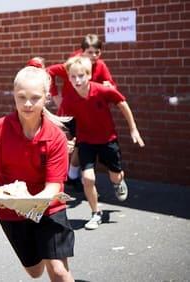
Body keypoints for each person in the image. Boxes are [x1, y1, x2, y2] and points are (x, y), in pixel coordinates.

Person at [0, 66, 74, 281]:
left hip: (49, 208)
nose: (27, 104)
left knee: (59, 270)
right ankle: (42, 251)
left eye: (35, 98)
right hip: (11, 211)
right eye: (21, 97)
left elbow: (54, 186)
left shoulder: (56, 137)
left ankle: (49, 251)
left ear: (46, 98)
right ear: (14, 95)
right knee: (35, 272)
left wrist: (33, 203)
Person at [63, 56, 144, 230]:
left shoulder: (101, 90)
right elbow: (63, 121)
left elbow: (122, 103)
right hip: (86, 142)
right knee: (87, 178)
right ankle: (95, 213)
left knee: (115, 175)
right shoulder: (69, 99)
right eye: (73, 76)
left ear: (89, 75)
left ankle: (118, 181)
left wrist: (133, 129)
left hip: (108, 140)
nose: (77, 80)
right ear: (68, 77)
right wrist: (68, 140)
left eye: (81, 76)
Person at [47, 34, 117, 192]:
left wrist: (110, 86)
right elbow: (49, 71)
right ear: (82, 51)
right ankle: (59, 178)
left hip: (88, 112)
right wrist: (55, 95)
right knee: (68, 143)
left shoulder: (100, 66)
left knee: (80, 145)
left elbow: (111, 85)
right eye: (89, 52)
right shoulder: (73, 65)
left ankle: (72, 177)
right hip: (69, 112)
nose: (93, 56)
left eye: (97, 52)